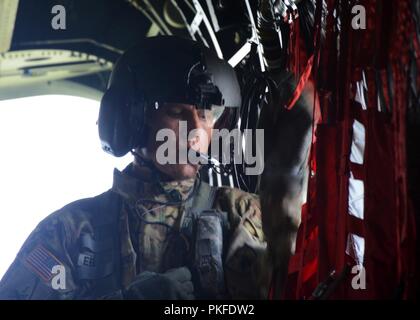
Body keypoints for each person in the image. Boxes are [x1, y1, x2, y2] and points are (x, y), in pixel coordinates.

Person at [0, 36, 272, 300]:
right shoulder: (67, 232)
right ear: (132, 121)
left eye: (206, 115)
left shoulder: (245, 214)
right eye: (177, 113)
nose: (196, 132)